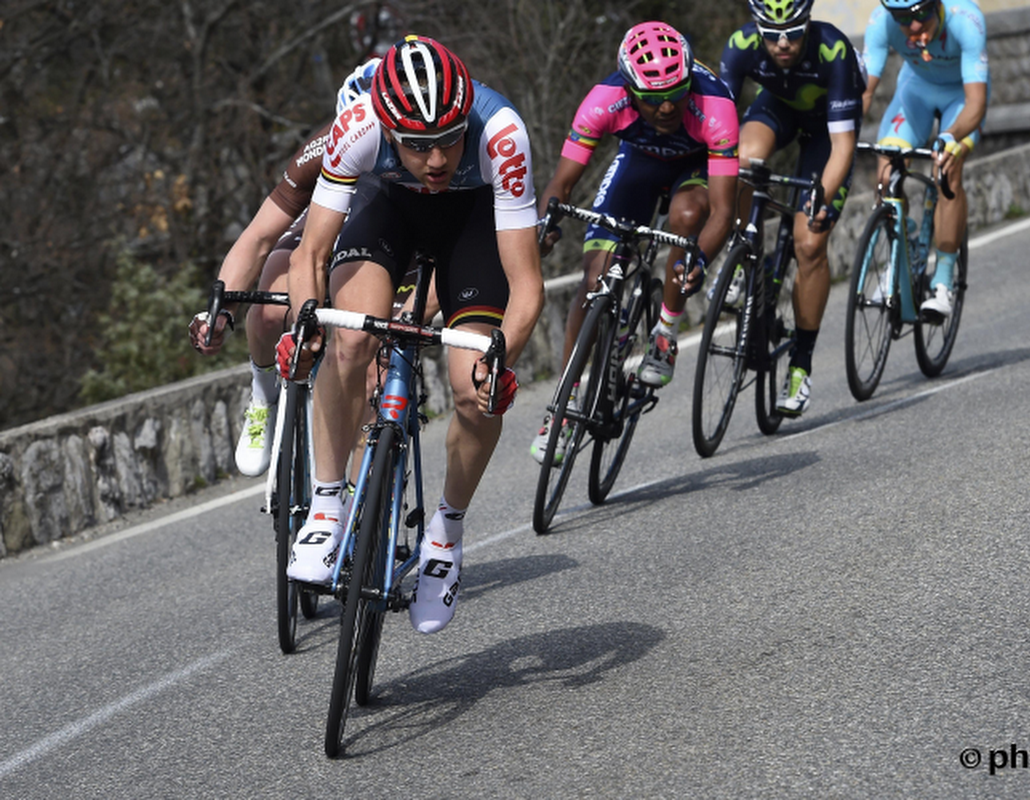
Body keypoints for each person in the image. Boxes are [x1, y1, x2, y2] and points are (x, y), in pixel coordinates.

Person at [280, 36, 543, 635]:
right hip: (389, 208)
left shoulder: (501, 133)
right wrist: (305, 322)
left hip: (471, 220)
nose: (436, 159)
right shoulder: (360, 123)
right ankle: (327, 504)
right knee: (348, 340)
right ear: (388, 126)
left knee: (473, 388)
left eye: (450, 138)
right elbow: (311, 253)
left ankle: (445, 538)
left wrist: (500, 361)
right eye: (418, 145)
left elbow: (526, 286)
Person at [532, 20, 739, 465]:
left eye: (676, 94)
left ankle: (665, 331)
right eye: (652, 99)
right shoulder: (604, 101)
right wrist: (547, 223)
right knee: (592, 284)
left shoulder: (715, 105)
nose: (666, 108)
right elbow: (562, 182)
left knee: (686, 216)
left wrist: (700, 257)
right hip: (639, 163)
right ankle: (567, 406)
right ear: (629, 90)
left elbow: (722, 211)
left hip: (695, 168)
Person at [188, 59, 380, 477]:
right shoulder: (324, 147)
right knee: (271, 300)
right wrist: (220, 310)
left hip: (379, 249)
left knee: (371, 377)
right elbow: (256, 237)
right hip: (316, 237)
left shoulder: (410, 153)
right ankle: (262, 396)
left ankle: (359, 496)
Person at [719, 0, 864, 417]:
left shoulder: (833, 51)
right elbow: (721, 129)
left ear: (808, 24)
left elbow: (843, 147)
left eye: (794, 32)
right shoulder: (741, 44)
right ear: (757, 27)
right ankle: (747, 253)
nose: (783, 43)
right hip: (778, 109)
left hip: (827, 133)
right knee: (741, 160)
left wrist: (820, 195)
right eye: (772, 33)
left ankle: (801, 363)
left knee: (809, 243)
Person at [862, 0, 989, 319]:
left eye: (921, 15)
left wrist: (950, 136)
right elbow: (864, 92)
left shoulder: (966, 21)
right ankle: (902, 251)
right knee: (885, 170)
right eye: (903, 18)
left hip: (961, 97)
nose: (914, 26)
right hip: (915, 91)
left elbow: (976, 102)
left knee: (946, 169)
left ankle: (943, 280)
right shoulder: (881, 22)